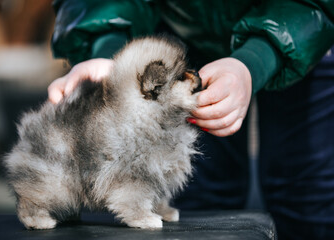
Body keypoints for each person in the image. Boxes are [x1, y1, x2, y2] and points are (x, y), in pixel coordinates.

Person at [48, 0, 334, 239]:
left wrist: (258, 60)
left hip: (304, 34)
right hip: (176, 33)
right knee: (197, 203)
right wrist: (109, 52)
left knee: (309, 196)